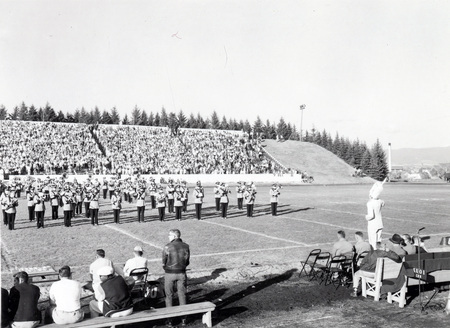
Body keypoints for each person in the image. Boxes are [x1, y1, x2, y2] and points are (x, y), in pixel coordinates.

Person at [162, 229, 190, 327]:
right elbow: (187, 261)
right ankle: (183, 318)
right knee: (182, 295)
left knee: (169, 295)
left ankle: (169, 319)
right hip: (181, 273)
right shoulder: (186, 246)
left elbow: (163, 261)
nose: (168, 237)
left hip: (170, 273)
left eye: (169, 235)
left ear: (174, 236)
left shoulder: (167, 246)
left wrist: (167, 268)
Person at [365, 179, 386, 249]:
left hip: (373, 224)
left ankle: (374, 254)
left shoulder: (370, 203)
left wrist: (366, 217)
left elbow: (371, 216)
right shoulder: (379, 201)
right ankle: (380, 252)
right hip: (380, 223)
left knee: (373, 241)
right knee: (378, 241)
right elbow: (383, 202)